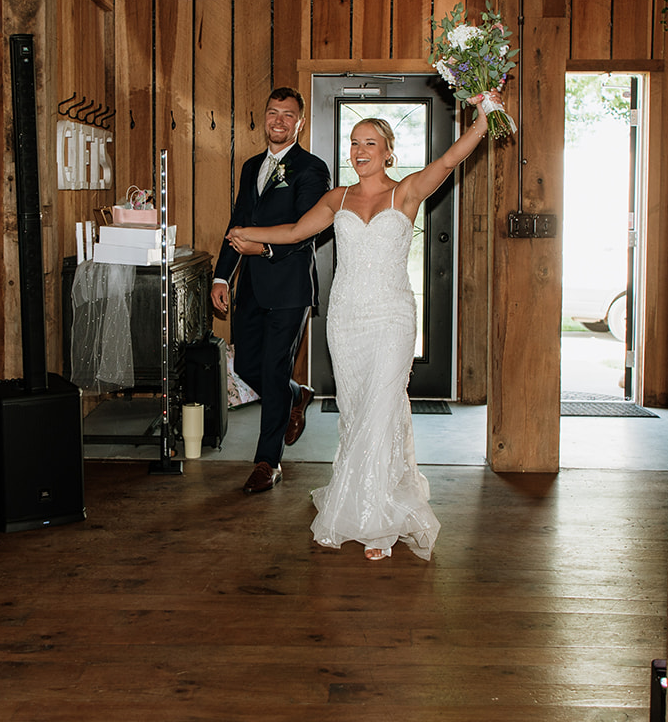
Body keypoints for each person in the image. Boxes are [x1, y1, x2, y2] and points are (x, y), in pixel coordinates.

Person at [229, 92, 503, 561]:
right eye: (354, 142)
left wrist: (482, 120)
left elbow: (451, 159)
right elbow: (296, 231)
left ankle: (378, 524)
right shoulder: (336, 198)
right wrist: (245, 234)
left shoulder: (408, 190)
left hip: (393, 317)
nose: (359, 150)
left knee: (381, 409)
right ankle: (361, 502)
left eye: (370, 143)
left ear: (388, 152)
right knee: (358, 413)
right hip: (347, 317)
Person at [211, 87, 331, 495]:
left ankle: (267, 461)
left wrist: (263, 247)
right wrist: (222, 276)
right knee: (247, 368)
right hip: (252, 288)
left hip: (290, 287)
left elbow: (307, 231)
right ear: (263, 117)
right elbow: (238, 222)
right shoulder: (250, 168)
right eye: (272, 113)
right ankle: (297, 396)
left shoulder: (312, 169)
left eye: (288, 115)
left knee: (274, 368)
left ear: (301, 122)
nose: (278, 121)